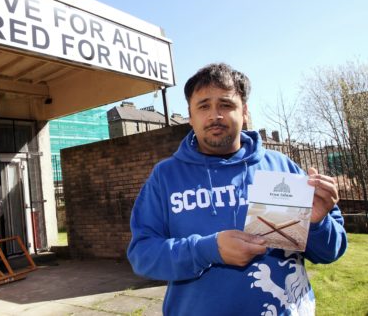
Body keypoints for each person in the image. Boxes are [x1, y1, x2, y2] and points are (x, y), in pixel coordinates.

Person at [127, 63, 347, 315]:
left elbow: (330, 252)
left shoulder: (280, 168)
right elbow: (142, 255)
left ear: (244, 111)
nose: (214, 115)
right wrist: (207, 250)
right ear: (190, 116)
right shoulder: (166, 177)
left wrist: (318, 224)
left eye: (226, 104)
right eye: (203, 106)